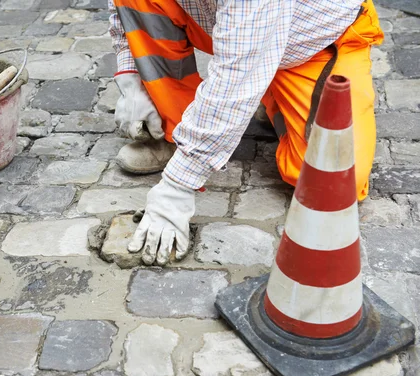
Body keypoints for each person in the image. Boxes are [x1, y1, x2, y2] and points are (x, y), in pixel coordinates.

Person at [108, 0, 384, 266]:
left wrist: (177, 187)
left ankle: (268, 91)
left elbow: (237, 72)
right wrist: (132, 78)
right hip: (228, 27)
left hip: (313, 43)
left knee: (334, 183)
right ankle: (173, 130)